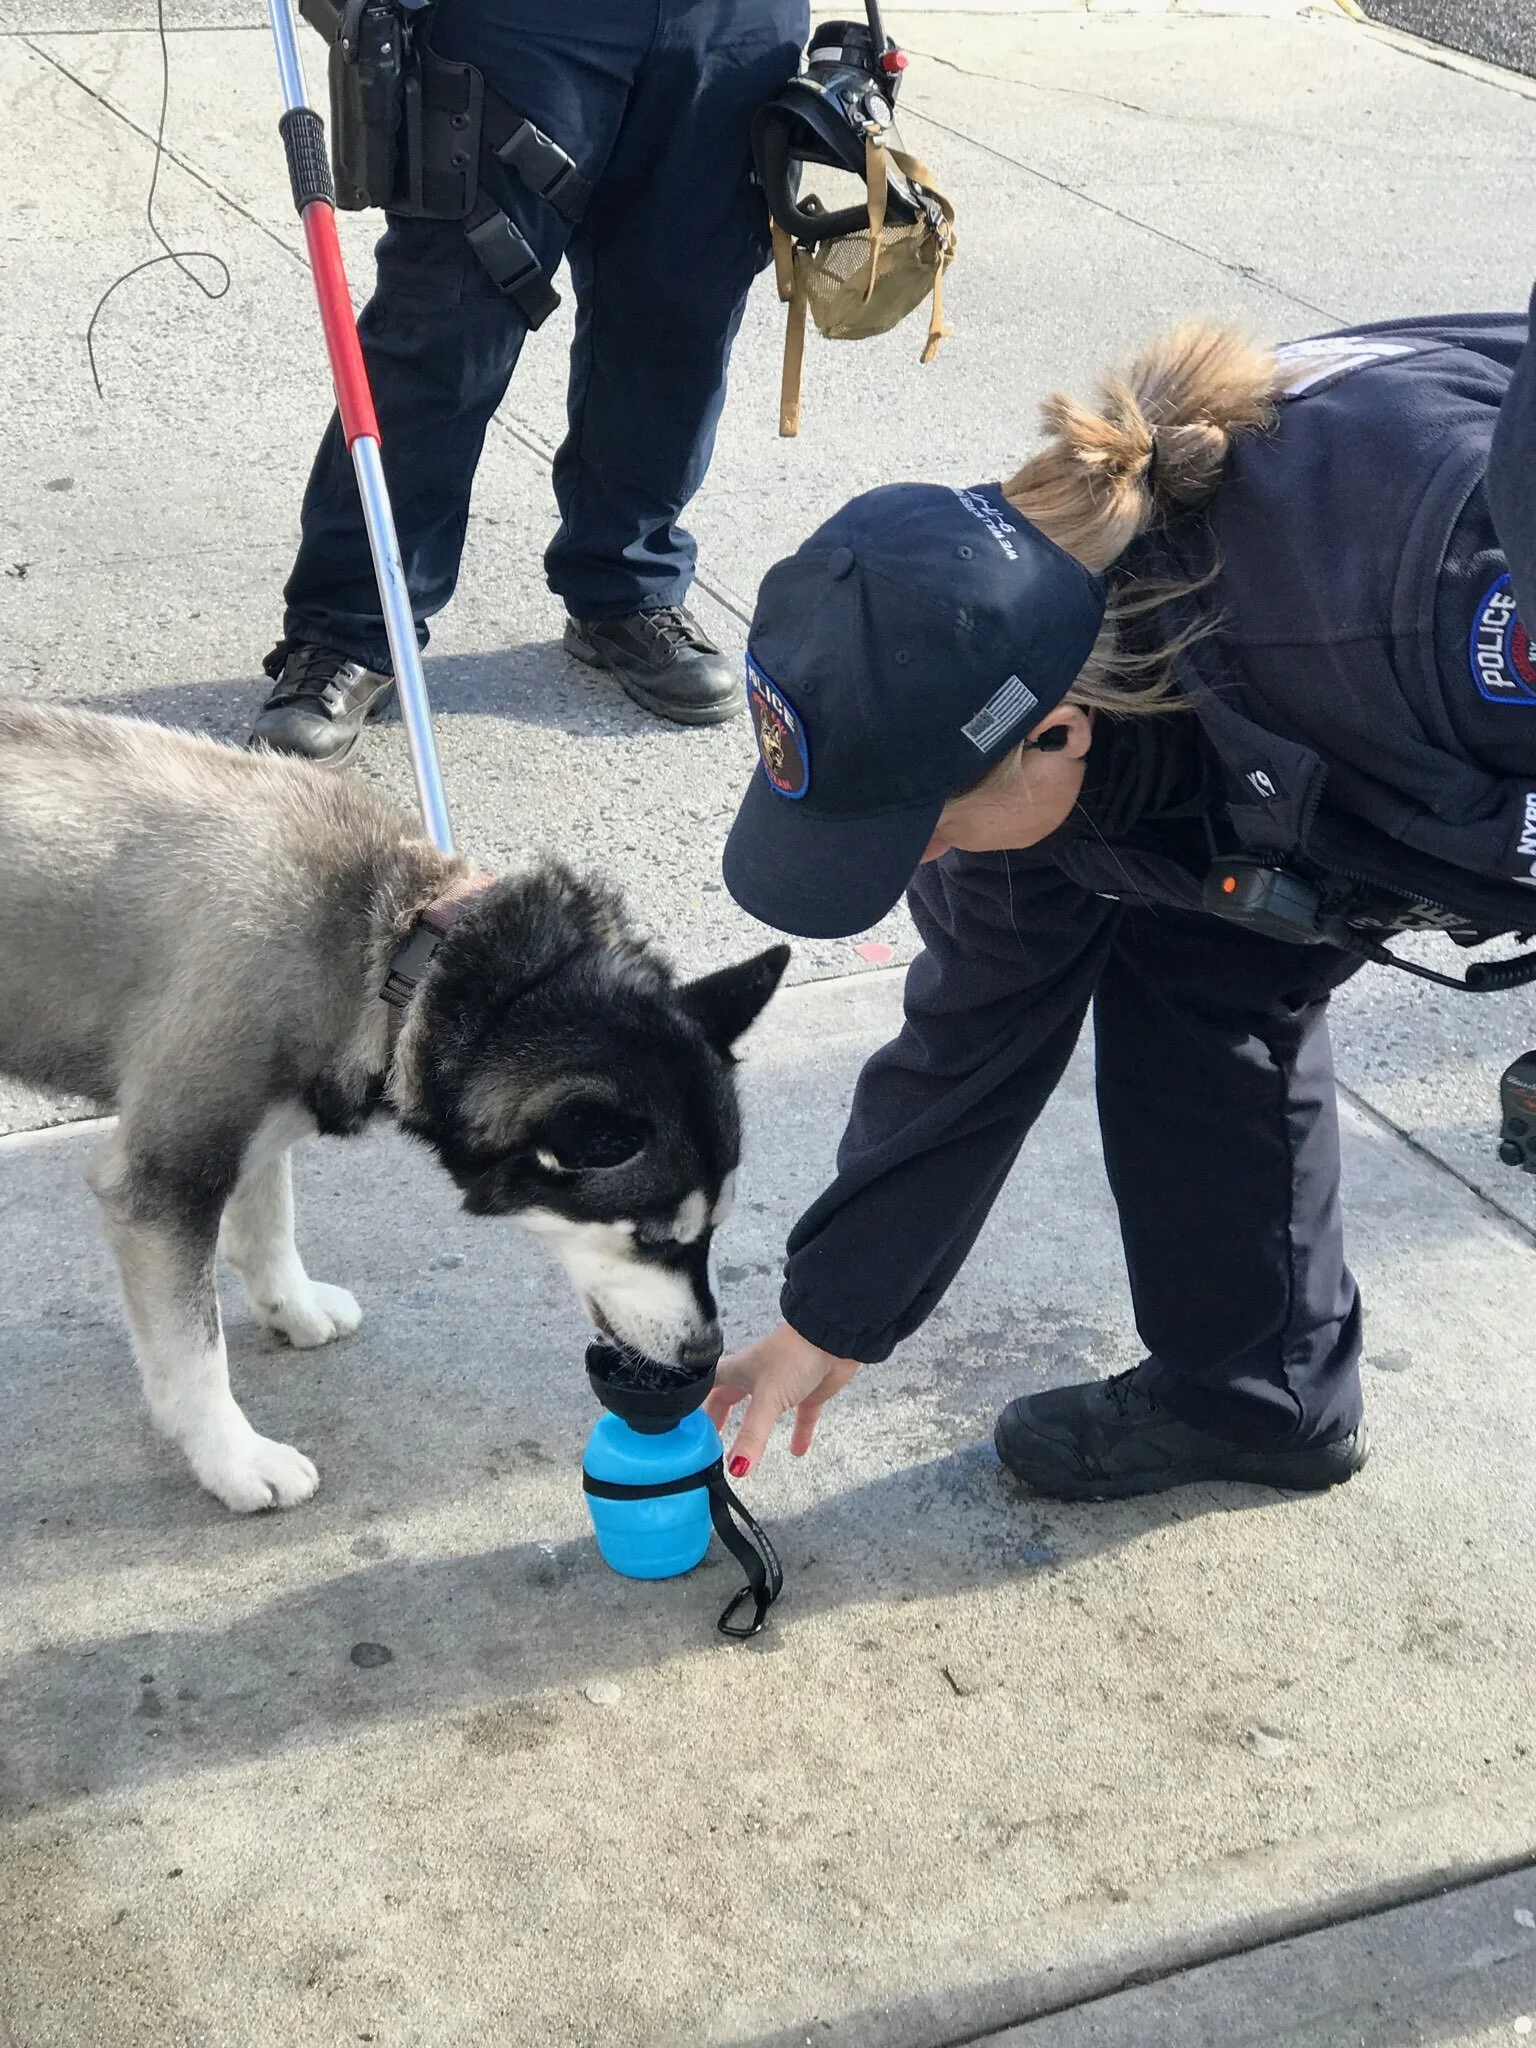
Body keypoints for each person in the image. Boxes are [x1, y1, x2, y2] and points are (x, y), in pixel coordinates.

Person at [703, 283, 1536, 1501]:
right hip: (1289, 764)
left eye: (923, 830)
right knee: (1195, 966)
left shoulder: (1425, 620)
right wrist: (828, 1319)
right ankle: (1257, 1397)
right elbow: (973, 1032)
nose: (920, 866)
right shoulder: (1008, 659)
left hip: (1405, 676)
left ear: (1055, 733)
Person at [252, 0, 807, 762]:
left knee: (682, 319)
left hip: (732, 23)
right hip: (522, 20)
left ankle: (626, 583)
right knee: (448, 317)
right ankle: (352, 624)